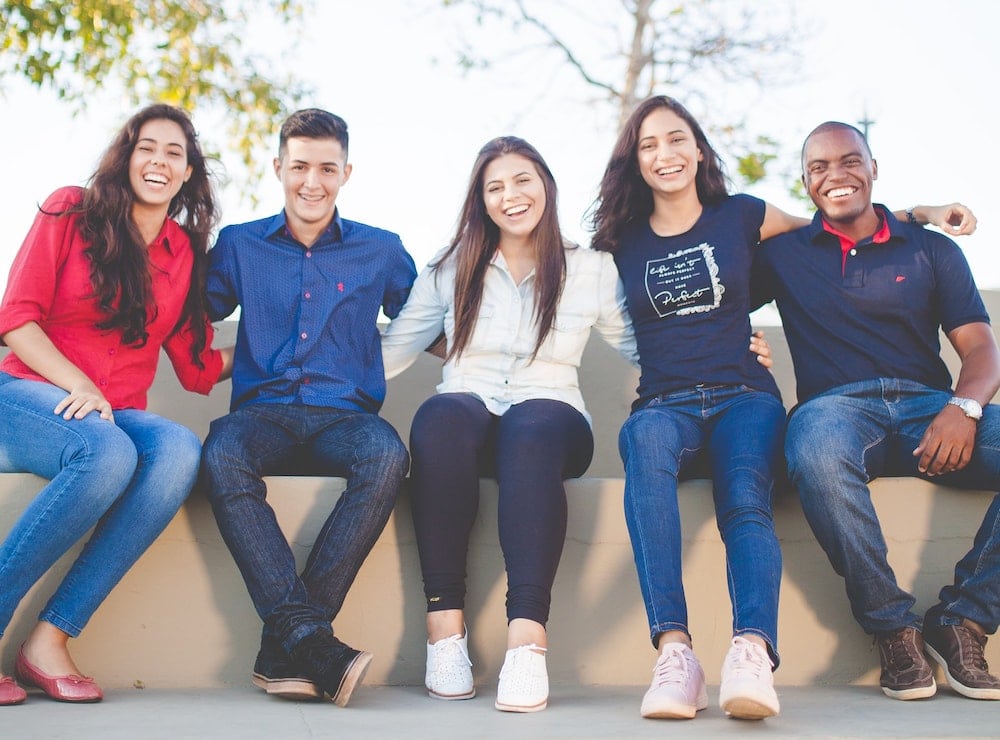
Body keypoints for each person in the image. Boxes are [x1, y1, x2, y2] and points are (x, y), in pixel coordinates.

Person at [588, 95, 974, 721]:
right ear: (633, 160)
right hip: (663, 402)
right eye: (650, 144)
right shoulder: (617, 242)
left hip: (745, 395)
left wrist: (921, 212)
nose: (666, 154)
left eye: (677, 138)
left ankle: (751, 652)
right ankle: (675, 653)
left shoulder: (743, 216)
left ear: (699, 149)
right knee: (645, 450)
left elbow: (836, 226)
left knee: (745, 494)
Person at [380, 136, 645, 713]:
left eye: (522, 180)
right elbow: (391, 351)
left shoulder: (591, 269)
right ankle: (445, 630)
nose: (511, 196)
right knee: (441, 416)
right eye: (494, 187)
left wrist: (725, 351)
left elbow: (641, 346)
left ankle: (527, 640)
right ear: (481, 201)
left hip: (552, 415)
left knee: (530, 429)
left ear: (545, 184)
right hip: (468, 411)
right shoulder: (450, 269)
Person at [753, 120, 1000, 703]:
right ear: (806, 183)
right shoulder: (783, 255)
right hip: (834, 411)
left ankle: (963, 620)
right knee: (812, 449)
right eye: (818, 168)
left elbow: (981, 348)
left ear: (873, 168)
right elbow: (712, 276)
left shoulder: (930, 248)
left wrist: (964, 408)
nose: (835, 175)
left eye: (849, 161)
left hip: (931, 410)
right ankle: (894, 630)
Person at [0, 104, 231, 706]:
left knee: (178, 450)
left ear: (187, 174)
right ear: (126, 157)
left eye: (174, 153)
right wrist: (77, 383)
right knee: (106, 454)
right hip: (28, 390)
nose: (158, 160)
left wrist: (289, 346)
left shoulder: (183, 253)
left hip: (113, 410)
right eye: (146, 147)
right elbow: (16, 320)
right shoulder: (69, 209)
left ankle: (48, 640)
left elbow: (197, 364)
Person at [200, 108, 416, 708]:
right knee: (220, 454)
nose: (312, 182)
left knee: (387, 456)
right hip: (260, 415)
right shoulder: (240, 244)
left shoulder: (382, 250)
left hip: (346, 418)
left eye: (327, 168)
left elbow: (435, 319)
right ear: (278, 168)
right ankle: (313, 644)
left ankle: (289, 646)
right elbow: (187, 312)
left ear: (347, 172)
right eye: (299, 167)